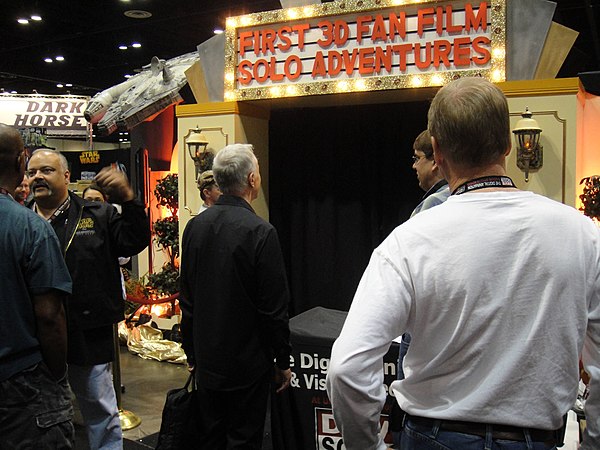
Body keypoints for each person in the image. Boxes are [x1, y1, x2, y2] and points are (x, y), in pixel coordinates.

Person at [326, 77, 600, 450]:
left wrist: (366, 446)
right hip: (537, 439)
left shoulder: (408, 241)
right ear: (506, 143)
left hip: (432, 438)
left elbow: (347, 369)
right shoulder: (582, 234)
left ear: (436, 151)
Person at [26, 149, 150, 450]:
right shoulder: (20, 220)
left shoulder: (97, 214)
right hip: (32, 334)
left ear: (67, 176)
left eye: (46, 170)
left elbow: (135, 240)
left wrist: (129, 201)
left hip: (87, 331)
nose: (37, 177)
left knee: (99, 409)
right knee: (37, 412)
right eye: (32, 172)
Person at [180, 143, 292, 449]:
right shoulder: (261, 232)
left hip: (207, 360)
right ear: (253, 180)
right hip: (248, 364)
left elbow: (186, 297)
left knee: (210, 438)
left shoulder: (194, 228)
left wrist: (191, 350)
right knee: (244, 439)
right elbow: (273, 309)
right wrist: (283, 359)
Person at [0, 124, 74, 448]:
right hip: (21, 384)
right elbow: (49, 316)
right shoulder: (30, 228)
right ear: (21, 163)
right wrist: (56, 376)